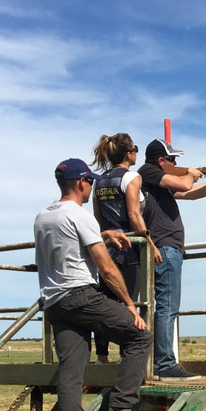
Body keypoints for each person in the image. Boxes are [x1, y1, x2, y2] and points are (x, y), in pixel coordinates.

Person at [34, 158, 155, 411]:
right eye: (90, 182)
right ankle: (121, 407)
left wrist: (104, 234)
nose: (91, 187)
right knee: (139, 337)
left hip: (55, 303)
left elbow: (68, 244)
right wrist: (129, 304)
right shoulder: (80, 215)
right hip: (82, 296)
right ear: (81, 183)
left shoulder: (43, 217)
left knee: (71, 376)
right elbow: (106, 267)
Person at [138, 139, 206, 378]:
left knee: (166, 306)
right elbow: (186, 185)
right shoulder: (149, 172)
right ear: (160, 161)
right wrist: (194, 173)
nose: (176, 163)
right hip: (164, 248)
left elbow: (192, 194)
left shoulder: (159, 182)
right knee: (167, 307)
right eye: (172, 159)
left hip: (167, 248)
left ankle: (159, 362)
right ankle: (164, 364)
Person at [90, 133, 161, 364]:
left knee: (105, 303)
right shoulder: (131, 177)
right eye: (135, 149)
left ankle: (101, 358)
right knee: (131, 302)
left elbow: (98, 219)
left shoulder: (99, 181)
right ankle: (126, 356)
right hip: (129, 248)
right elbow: (133, 215)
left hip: (106, 246)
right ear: (129, 153)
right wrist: (150, 244)